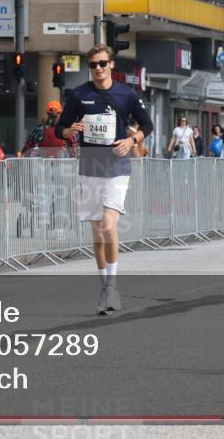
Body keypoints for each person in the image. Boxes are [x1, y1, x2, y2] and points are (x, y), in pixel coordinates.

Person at [56, 44, 154, 315]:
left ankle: (112, 287)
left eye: (102, 63)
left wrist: (131, 140)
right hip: (90, 166)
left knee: (109, 226)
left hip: (117, 167)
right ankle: (105, 287)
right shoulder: (79, 94)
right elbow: (60, 127)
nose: (97, 69)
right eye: (92, 65)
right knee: (98, 234)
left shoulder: (126, 94)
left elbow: (147, 125)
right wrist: (69, 131)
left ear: (111, 64)